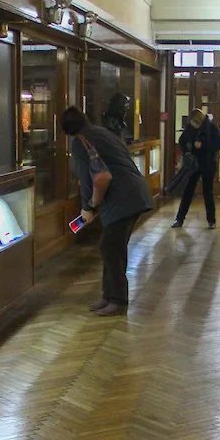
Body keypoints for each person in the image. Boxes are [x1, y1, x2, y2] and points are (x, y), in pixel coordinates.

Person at [63, 106, 154, 316]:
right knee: (111, 247)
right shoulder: (102, 132)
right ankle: (108, 296)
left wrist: (87, 207)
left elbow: (87, 178)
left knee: (111, 249)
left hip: (121, 198)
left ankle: (118, 300)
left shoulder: (80, 142)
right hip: (135, 191)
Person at [172, 108, 220, 229]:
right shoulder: (190, 128)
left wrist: (203, 145)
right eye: (191, 123)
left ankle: (211, 221)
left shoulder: (211, 128)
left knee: (208, 192)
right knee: (188, 191)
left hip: (208, 163)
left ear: (199, 121)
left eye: (195, 123)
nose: (193, 125)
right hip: (194, 164)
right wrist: (186, 153)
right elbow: (182, 140)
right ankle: (179, 219)